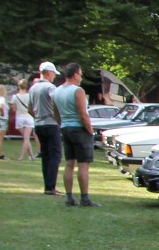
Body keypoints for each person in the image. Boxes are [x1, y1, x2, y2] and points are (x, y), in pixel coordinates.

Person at [54, 63, 99, 207]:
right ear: (75, 75)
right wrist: (90, 130)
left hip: (65, 128)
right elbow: (83, 114)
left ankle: (69, 197)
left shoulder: (57, 91)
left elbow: (56, 113)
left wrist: (62, 124)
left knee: (69, 164)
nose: (81, 76)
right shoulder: (77, 91)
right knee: (83, 165)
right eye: (80, 74)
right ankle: (85, 198)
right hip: (79, 129)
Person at [28, 62, 62, 195]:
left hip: (38, 124)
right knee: (55, 155)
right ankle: (51, 186)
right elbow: (56, 103)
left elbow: (30, 109)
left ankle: (47, 186)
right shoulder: (50, 87)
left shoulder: (33, 88)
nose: (54, 76)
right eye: (53, 73)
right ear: (48, 72)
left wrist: (37, 117)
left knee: (46, 156)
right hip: (51, 123)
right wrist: (57, 119)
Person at [11, 79, 37, 159]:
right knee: (27, 138)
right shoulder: (30, 96)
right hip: (29, 117)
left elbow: (14, 109)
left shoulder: (15, 97)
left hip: (19, 118)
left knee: (25, 138)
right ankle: (29, 156)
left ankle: (26, 156)